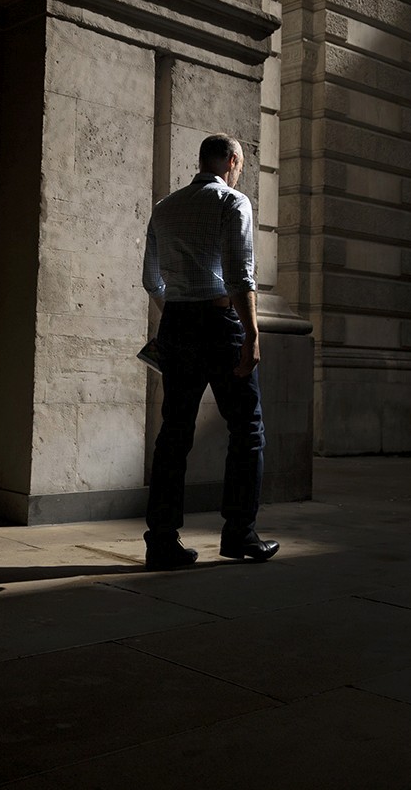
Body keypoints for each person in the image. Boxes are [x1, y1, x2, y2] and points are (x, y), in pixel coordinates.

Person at [141, 134, 279, 570]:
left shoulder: (165, 207)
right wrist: (252, 334)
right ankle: (240, 533)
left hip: (177, 324)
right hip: (220, 325)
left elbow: (151, 281)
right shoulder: (232, 202)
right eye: (240, 164)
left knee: (174, 432)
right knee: (247, 429)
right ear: (233, 162)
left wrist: (179, 308)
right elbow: (240, 275)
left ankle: (162, 540)